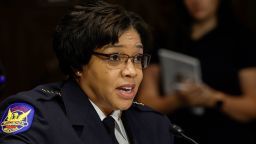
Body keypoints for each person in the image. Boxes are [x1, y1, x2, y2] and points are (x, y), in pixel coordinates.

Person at [0, 1, 175, 144]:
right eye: (114, 57)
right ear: (78, 64)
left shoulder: (155, 124)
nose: (131, 71)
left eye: (137, 58)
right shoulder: (38, 116)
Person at [137, 0, 256, 144]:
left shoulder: (242, 39)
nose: (198, 2)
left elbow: (252, 106)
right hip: (175, 136)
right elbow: (145, 103)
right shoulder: (166, 38)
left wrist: (213, 99)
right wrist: (177, 99)